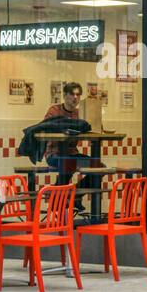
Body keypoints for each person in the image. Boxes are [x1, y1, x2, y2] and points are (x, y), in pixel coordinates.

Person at [43, 82, 99, 210]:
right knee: (68, 163)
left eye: (78, 95)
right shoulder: (54, 110)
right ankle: (59, 198)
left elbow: (93, 128)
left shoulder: (81, 113)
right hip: (54, 154)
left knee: (99, 167)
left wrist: (94, 121)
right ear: (65, 96)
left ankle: (75, 195)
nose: (75, 98)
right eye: (72, 94)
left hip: (72, 154)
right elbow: (45, 128)